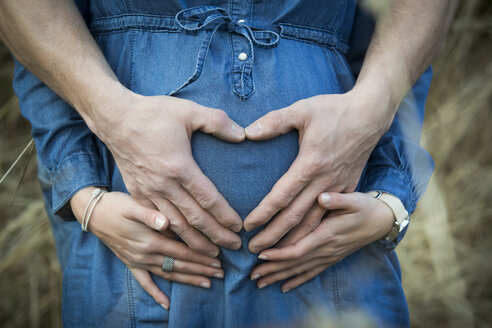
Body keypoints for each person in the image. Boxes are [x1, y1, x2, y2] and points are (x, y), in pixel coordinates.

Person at [0, 0, 457, 327]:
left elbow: (403, 49)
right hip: (135, 264)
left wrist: (390, 196)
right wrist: (84, 193)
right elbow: (31, 28)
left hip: (332, 266)